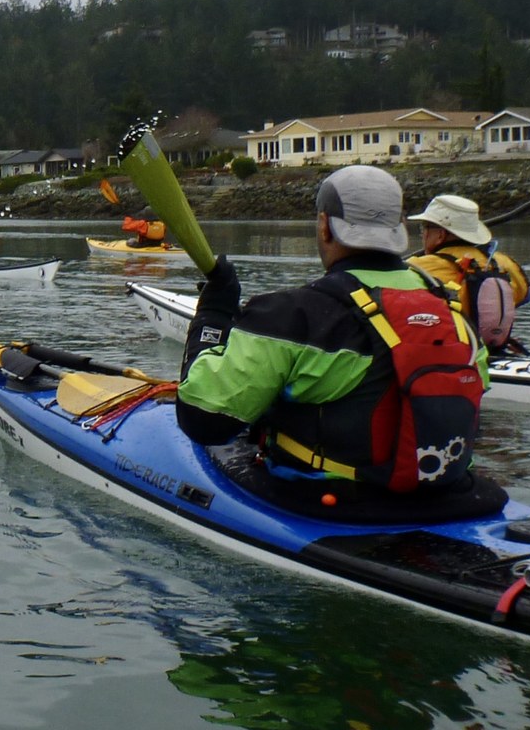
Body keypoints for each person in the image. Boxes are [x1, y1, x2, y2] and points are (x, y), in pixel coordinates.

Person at [175, 165, 490, 504]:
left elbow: (202, 421)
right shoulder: (454, 314)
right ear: (401, 229)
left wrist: (214, 311)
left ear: (325, 226)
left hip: (332, 505)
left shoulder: (289, 315)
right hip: (446, 499)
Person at [407, 195, 529, 354]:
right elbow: (522, 297)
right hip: (492, 352)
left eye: (424, 228)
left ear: (440, 235)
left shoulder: (417, 267)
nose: (422, 235)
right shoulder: (503, 263)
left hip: (447, 355)